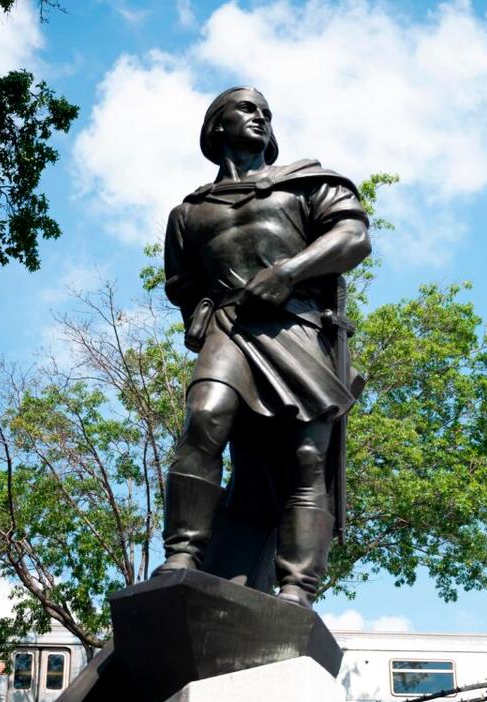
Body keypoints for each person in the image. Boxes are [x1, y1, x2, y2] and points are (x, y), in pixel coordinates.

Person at [154, 86, 370, 609]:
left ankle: (297, 586)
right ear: (216, 126)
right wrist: (204, 319)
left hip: (294, 328)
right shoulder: (188, 214)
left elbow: (354, 237)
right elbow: (183, 286)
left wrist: (288, 272)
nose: (261, 119)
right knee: (204, 418)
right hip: (228, 328)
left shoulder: (306, 184)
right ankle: (183, 553)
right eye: (247, 110)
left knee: (305, 457)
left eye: (267, 114)